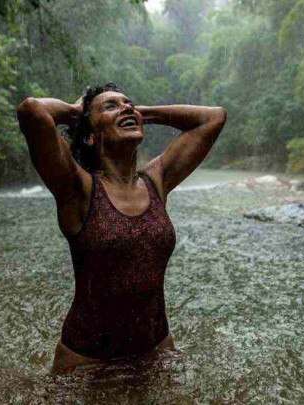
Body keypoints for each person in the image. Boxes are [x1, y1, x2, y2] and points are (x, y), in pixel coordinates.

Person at [16, 83, 227, 373]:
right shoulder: (77, 188)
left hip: (156, 352)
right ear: (90, 136)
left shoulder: (157, 180)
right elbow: (31, 111)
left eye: (129, 103)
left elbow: (213, 118)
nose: (127, 107)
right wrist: (78, 111)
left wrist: (141, 113)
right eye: (111, 106)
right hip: (87, 364)